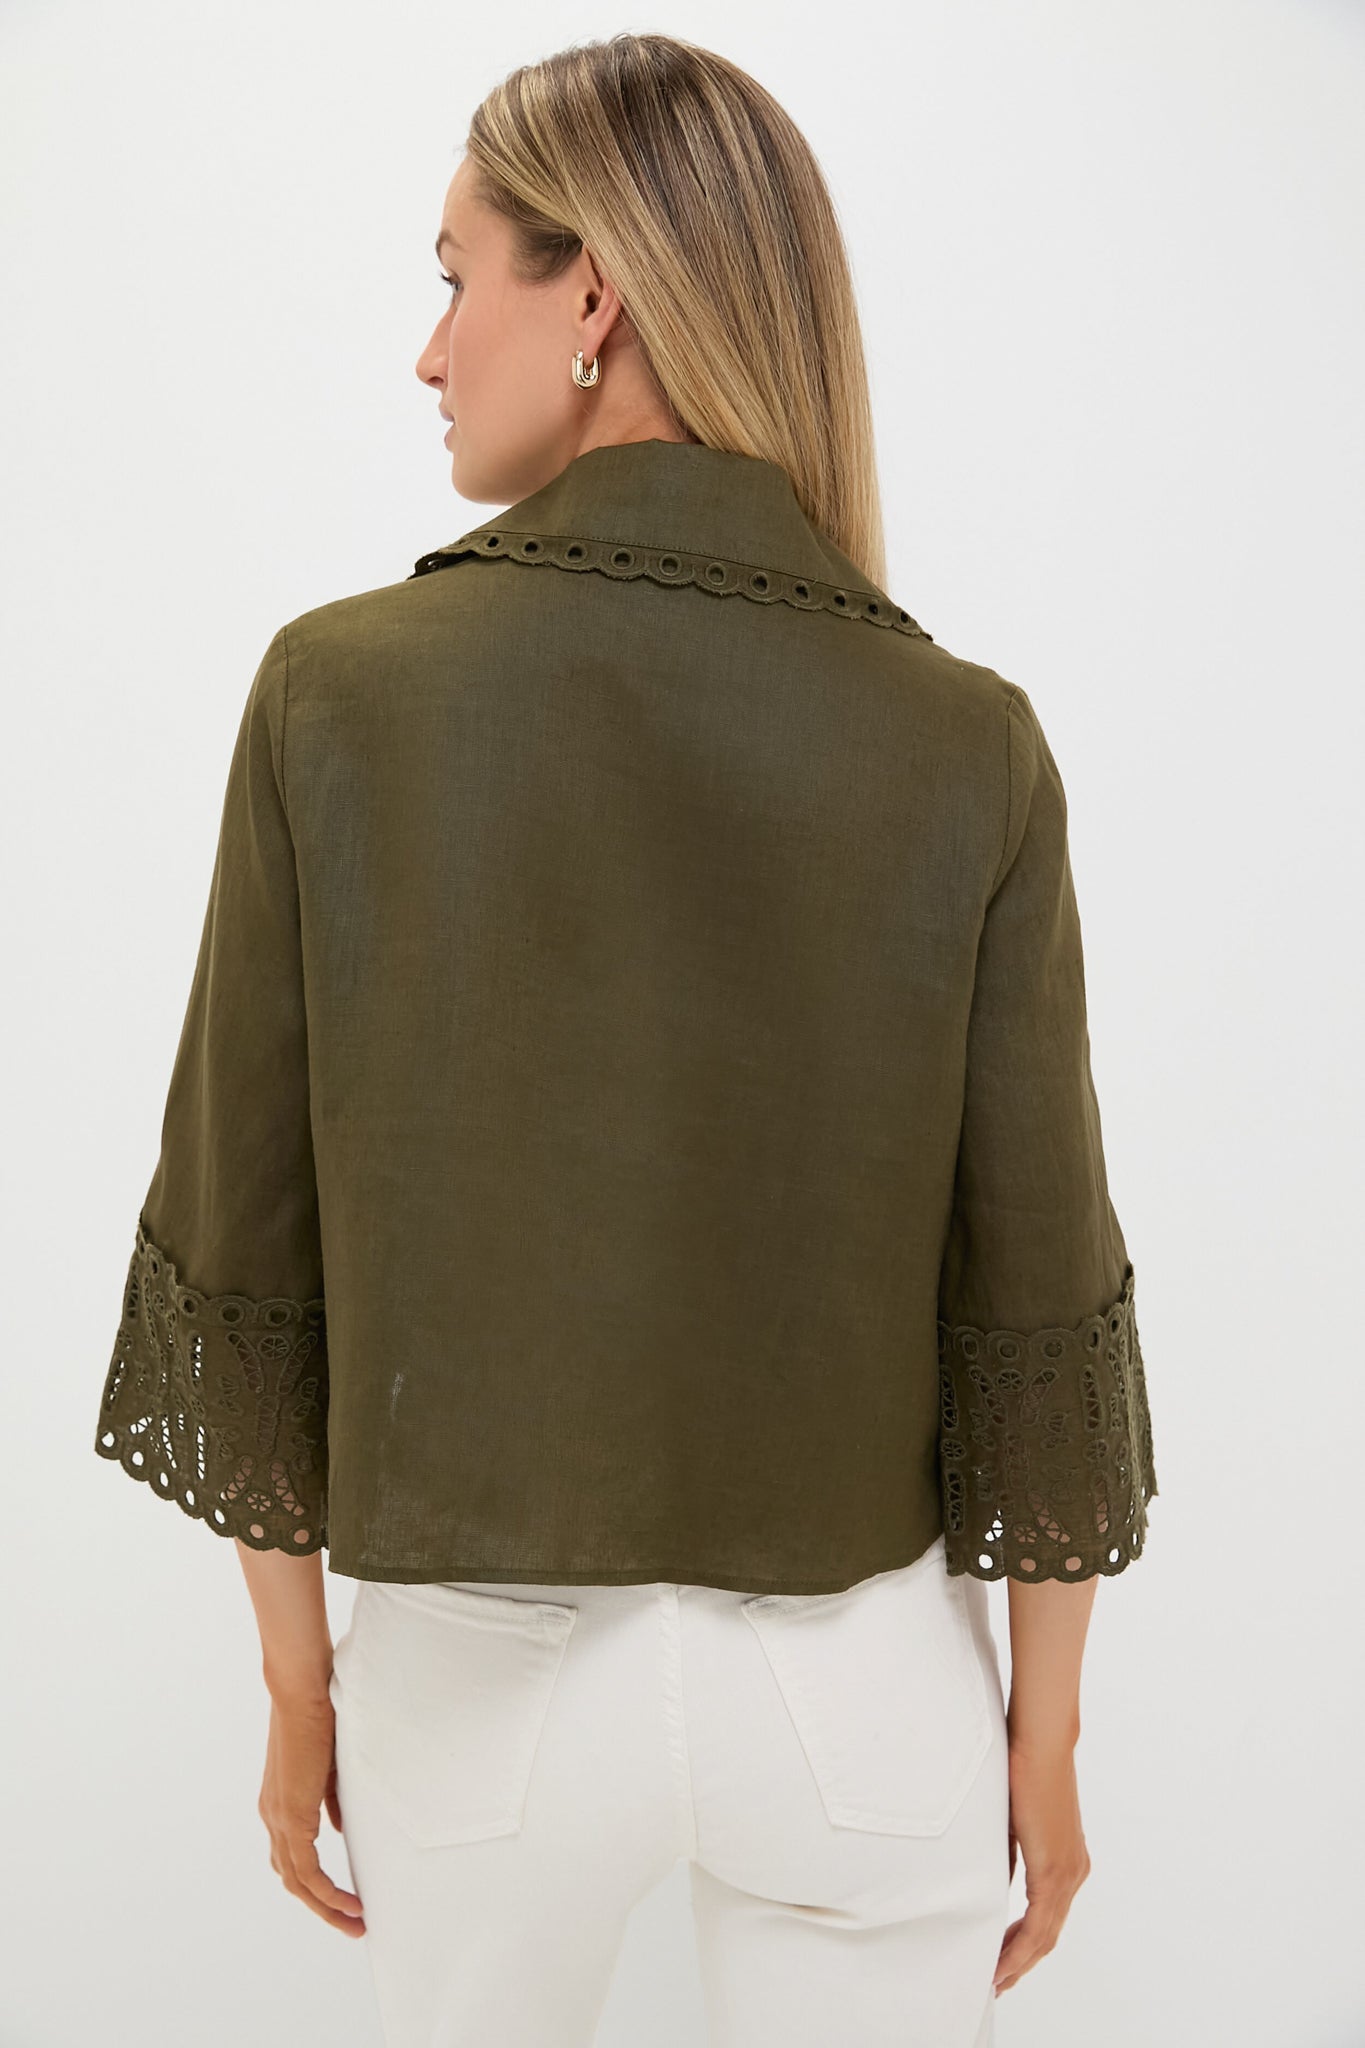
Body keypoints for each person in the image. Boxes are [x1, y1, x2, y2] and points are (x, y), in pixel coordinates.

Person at [92, 32, 1157, 2048]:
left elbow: (243, 1249)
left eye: (453, 277)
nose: (428, 351)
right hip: (857, 1698)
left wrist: (299, 1681)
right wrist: (1044, 1733)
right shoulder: (966, 741)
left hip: (475, 1699)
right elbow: (1036, 1290)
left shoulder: (336, 693)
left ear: (589, 294)